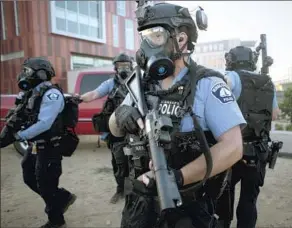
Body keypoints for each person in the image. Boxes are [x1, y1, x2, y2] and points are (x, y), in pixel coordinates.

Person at [108, 2, 245, 228]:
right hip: (139, 206)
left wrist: (177, 178)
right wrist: (121, 115)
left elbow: (233, 147)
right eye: (145, 36)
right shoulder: (141, 85)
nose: (147, 44)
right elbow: (113, 128)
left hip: (187, 207)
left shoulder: (207, 84)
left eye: (156, 35)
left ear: (180, 39)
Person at [215, 46, 280, 228]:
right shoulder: (268, 81)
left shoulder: (234, 77)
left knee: (224, 195)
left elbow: (218, 94)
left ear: (232, 60)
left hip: (233, 149)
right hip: (259, 150)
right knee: (249, 200)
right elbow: (274, 114)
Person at [14, 57, 76, 228]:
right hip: (35, 146)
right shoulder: (33, 93)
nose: (24, 75)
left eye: (28, 71)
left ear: (41, 73)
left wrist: (20, 135)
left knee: (46, 183)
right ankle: (62, 197)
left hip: (50, 147)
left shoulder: (52, 94)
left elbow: (44, 123)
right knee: (29, 176)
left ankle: (56, 220)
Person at [77, 53, 133, 203]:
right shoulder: (110, 83)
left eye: (126, 65)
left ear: (131, 66)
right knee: (118, 161)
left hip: (135, 127)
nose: (124, 68)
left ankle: (136, 192)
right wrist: (79, 98)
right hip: (116, 128)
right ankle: (120, 189)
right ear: (115, 67)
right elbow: (95, 93)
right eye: (120, 65)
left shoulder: (138, 81)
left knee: (139, 160)